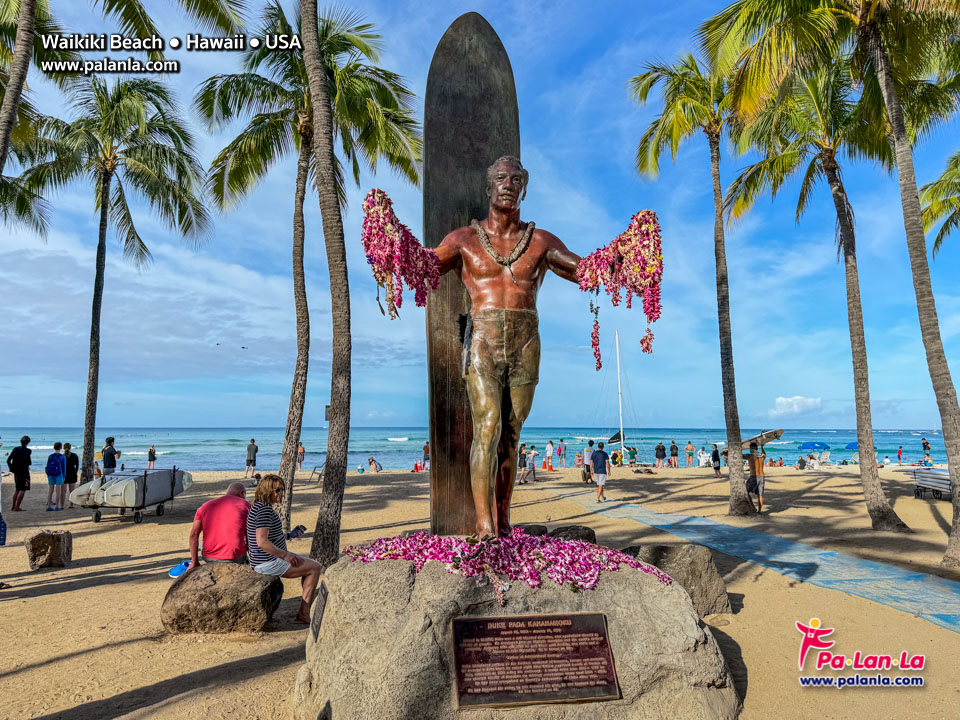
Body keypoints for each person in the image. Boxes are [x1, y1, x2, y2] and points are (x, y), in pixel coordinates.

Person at [433, 155, 587, 536]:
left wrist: (627, 257)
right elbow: (422, 266)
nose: (508, 184)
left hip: (525, 341)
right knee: (488, 426)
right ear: (489, 187)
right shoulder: (463, 240)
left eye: (516, 179)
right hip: (482, 338)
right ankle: (484, 525)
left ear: (525, 187)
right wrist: (388, 240)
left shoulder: (540, 241)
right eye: (501, 178)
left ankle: (502, 517)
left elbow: (583, 271)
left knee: (512, 435)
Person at [245, 474, 322, 624]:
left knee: (309, 565)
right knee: (315, 568)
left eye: (283, 490)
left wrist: (289, 535)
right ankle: (304, 614)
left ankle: (304, 610)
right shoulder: (264, 511)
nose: (281, 494)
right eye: (278, 490)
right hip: (266, 562)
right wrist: (285, 555)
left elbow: (268, 537)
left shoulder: (259, 507)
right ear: (267, 491)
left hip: (263, 559)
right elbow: (261, 541)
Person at [188, 482, 252, 570]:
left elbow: (194, 534)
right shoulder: (247, 506)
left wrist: (194, 561)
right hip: (235, 556)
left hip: (209, 557)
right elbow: (252, 534)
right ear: (242, 493)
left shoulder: (204, 507)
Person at [7, 436, 32, 511]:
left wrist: (11, 468)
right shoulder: (28, 451)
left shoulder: (15, 449)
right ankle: (17, 507)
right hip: (24, 471)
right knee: (23, 489)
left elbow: (8, 460)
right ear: (28, 442)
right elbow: (29, 462)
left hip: (17, 471)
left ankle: (13, 506)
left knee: (17, 489)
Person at [45, 442, 67, 511]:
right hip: (59, 474)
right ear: (61, 448)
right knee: (58, 491)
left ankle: (49, 506)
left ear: (54, 448)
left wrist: (48, 475)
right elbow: (64, 467)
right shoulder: (62, 457)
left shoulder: (50, 456)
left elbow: (47, 465)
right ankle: (57, 506)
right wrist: (64, 476)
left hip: (51, 474)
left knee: (50, 491)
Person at [744, 441, 765, 512]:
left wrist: (727, 453)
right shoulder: (762, 456)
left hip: (754, 477)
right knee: (760, 495)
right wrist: (762, 447)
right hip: (762, 477)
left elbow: (739, 456)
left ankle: (753, 507)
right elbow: (764, 454)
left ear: (751, 448)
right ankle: (759, 511)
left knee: (745, 491)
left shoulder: (749, 456)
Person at [63, 443, 79, 508]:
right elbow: (77, 466)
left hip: (65, 474)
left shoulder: (62, 456)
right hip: (72, 473)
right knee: (71, 491)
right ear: (70, 448)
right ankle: (71, 504)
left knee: (63, 491)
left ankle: (62, 505)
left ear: (63, 448)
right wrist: (76, 472)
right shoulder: (74, 455)